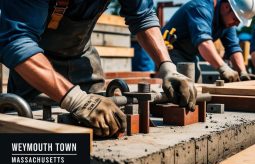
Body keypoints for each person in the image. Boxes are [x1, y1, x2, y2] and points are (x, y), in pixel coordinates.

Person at [0, 0, 196, 137]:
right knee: (35, 140)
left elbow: (142, 17)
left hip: (83, 60)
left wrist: (167, 67)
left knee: (103, 129)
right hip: (35, 68)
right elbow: (17, 40)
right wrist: (74, 99)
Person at [162, 0, 255, 83]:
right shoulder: (201, 8)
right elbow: (204, 43)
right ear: (226, 7)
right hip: (171, 51)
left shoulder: (227, 21)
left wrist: (243, 73)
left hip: (190, 56)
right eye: (236, 19)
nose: (237, 24)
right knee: (183, 90)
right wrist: (223, 68)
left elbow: (233, 48)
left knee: (196, 89)